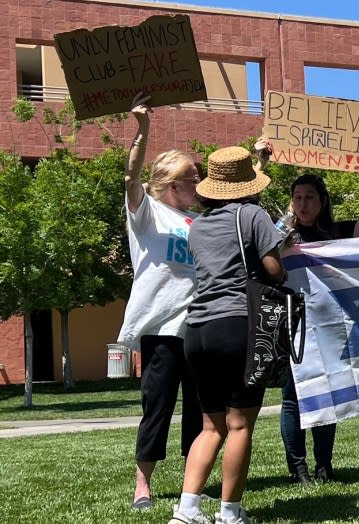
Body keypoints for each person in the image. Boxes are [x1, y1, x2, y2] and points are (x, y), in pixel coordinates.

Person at [169, 146, 284, 524]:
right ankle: (230, 513)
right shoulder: (253, 214)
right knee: (239, 424)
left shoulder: (198, 224)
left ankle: (186, 510)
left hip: (197, 330)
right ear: (246, 184)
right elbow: (272, 269)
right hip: (237, 325)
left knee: (211, 425)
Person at [273, 150, 359, 485]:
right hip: (293, 325)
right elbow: (263, 248)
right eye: (297, 198)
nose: (303, 204)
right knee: (293, 398)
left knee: (326, 394)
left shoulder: (339, 231)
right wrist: (285, 223)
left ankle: (324, 466)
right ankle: (298, 469)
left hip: (330, 327)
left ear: (322, 201)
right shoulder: (284, 237)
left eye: (309, 197)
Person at [118, 93, 202, 511]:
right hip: (161, 330)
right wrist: (143, 129)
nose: (198, 185)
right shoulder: (147, 212)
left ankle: (193, 483)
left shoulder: (199, 221)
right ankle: (142, 487)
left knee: (199, 413)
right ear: (173, 185)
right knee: (158, 407)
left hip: (199, 327)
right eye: (192, 180)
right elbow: (131, 178)